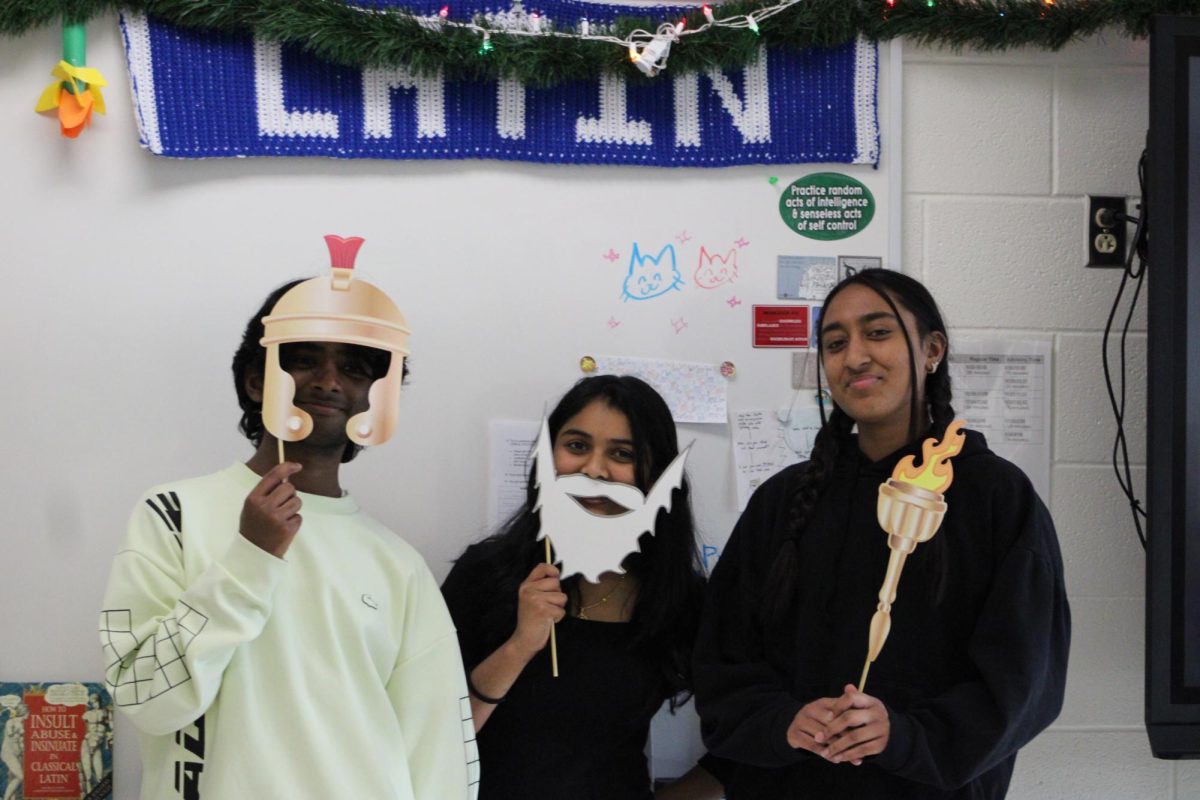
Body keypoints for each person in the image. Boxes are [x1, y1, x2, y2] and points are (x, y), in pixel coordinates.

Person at [99, 273, 478, 799]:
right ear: (257, 380)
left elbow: (440, 759)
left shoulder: (400, 565)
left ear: (376, 398)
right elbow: (146, 699)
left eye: (354, 368)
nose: (328, 381)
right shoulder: (172, 514)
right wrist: (247, 561)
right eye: (304, 359)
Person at [693, 268, 1070, 799]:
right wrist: (784, 721)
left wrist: (904, 735)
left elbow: (1023, 678)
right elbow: (721, 659)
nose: (854, 357)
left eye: (878, 332)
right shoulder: (783, 502)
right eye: (835, 343)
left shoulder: (996, 497)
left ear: (931, 349)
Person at [440, 375, 726, 800]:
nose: (594, 469)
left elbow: (747, 735)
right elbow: (434, 733)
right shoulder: (487, 574)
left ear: (656, 475)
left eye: (622, 454)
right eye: (576, 446)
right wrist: (520, 645)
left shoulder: (678, 600)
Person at [79, 692, 111, 793]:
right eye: (92, 702)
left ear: (99, 701)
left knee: (99, 775)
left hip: (97, 744)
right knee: (88, 775)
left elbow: (111, 728)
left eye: (96, 702)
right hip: (87, 743)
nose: (94, 704)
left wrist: (109, 737)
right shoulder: (88, 714)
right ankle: (88, 795)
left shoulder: (106, 712)